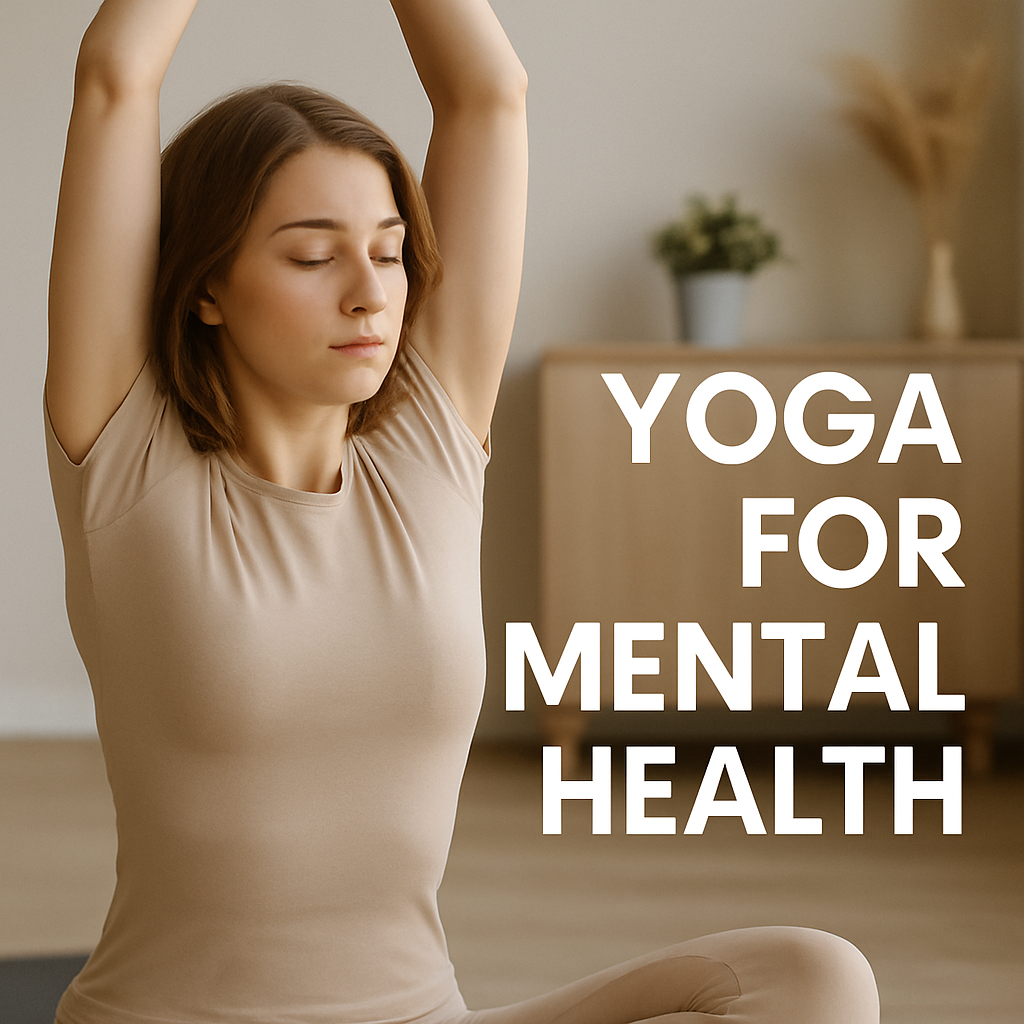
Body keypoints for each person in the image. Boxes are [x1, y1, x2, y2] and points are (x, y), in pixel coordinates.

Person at [45, 2, 880, 1023]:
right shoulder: (129, 465)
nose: (370, 294)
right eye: (312, 257)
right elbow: (115, 75)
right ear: (206, 286)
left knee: (814, 975)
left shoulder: (427, 449)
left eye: (389, 250)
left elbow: (490, 95)